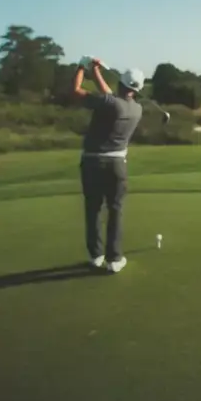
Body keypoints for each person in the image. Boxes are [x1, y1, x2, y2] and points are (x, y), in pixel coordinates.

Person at [72, 57, 144, 273]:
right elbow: (110, 96)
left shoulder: (109, 103)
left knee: (93, 209)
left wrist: (81, 68)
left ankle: (96, 256)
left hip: (92, 163)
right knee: (115, 210)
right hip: (116, 165)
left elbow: (75, 90)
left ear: (120, 83)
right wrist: (96, 72)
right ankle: (114, 260)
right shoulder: (137, 109)